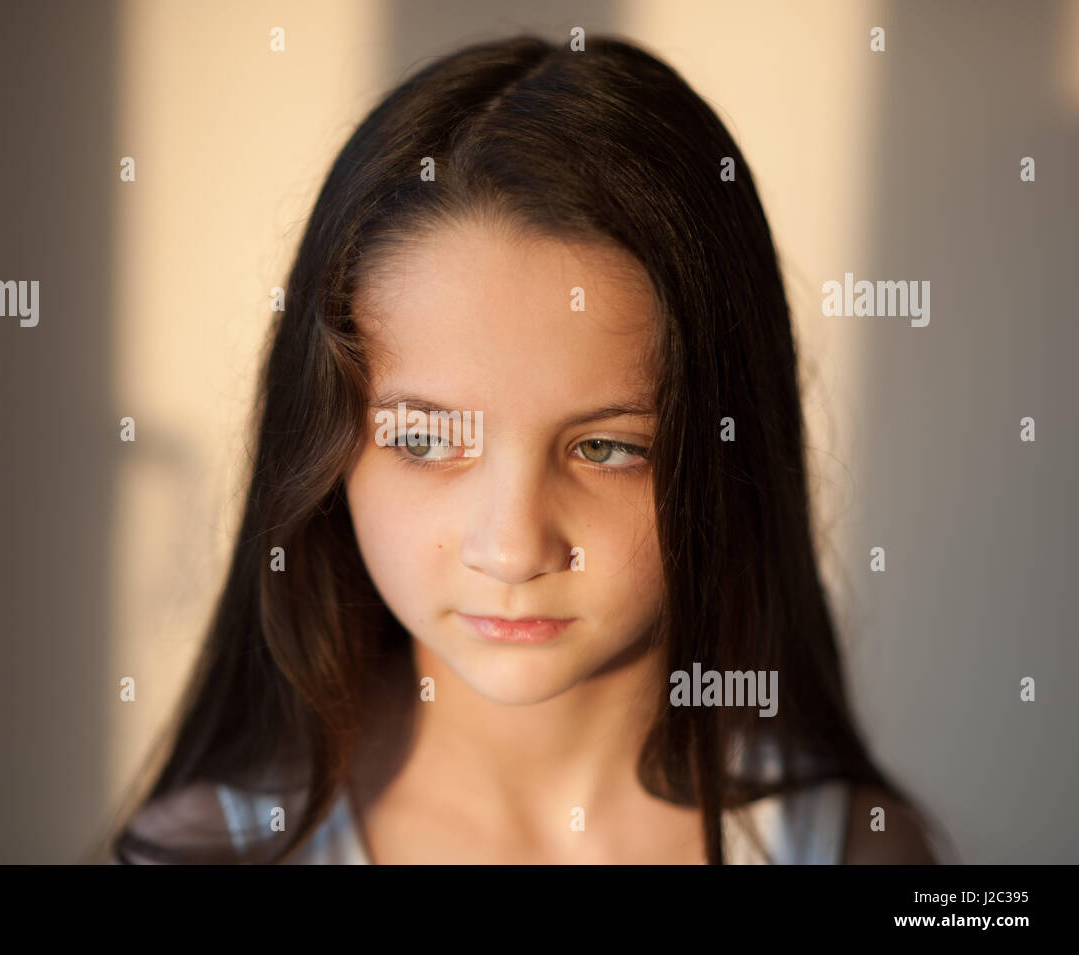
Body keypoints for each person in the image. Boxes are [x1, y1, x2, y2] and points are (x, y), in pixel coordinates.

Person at [106, 33, 940, 864]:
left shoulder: (850, 848)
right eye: (427, 440)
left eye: (608, 448)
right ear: (325, 451)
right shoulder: (207, 853)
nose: (511, 547)